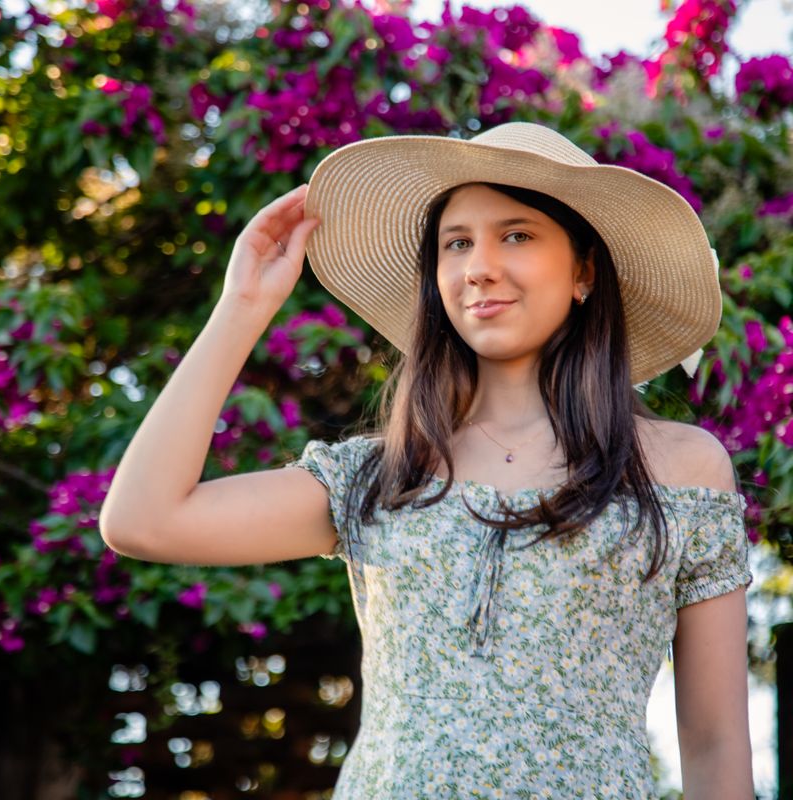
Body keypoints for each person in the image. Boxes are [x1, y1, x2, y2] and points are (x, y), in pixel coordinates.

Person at [100, 122, 755, 799]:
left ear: (584, 270)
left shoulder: (679, 471)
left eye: (517, 235)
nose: (479, 266)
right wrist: (241, 308)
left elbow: (715, 743)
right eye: (457, 243)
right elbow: (145, 520)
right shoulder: (382, 475)